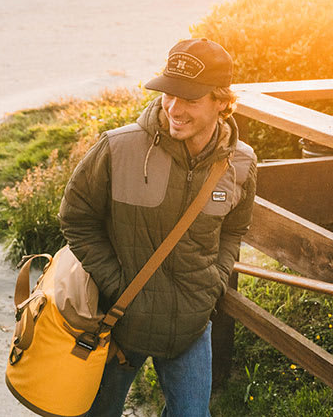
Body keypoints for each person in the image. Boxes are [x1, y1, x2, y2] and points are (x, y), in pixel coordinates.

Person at [58, 38, 258, 417]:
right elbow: (76, 217)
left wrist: (211, 283)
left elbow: (235, 230)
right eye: (168, 94)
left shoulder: (241, 163)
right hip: (118, 320)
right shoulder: (118, 148)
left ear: (222, 101)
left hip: (190, 324)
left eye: (190, 99)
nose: (174, 108)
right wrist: (116, 284)